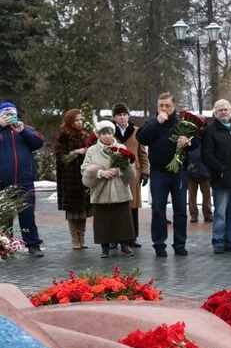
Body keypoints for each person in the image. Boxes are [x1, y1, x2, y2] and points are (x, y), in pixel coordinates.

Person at [136, 92, 196, 257]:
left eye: (167, 106)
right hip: (158, 172)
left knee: (180, 209)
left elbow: (196, 141)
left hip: (179, 172)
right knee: (158, 209)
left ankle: (180, 243)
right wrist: (157, 122)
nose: (164, 109)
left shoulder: (183, 122)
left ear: (174, 106)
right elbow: (142, 137)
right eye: (161, 106)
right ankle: (159, 244)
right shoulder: (152, 121)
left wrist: (188, 142)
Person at [81, 121, 136, 258]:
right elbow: (84, 168)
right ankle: (104, 247)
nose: (107, 136)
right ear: (98, 135)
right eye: (104, 133)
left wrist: (118, 171)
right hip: (101, 190)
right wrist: (100, 173)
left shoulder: (121, 148)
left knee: (122, 218)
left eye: (110, 133)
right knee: (102, 220)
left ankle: (125, 245)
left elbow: (129, 167)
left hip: (119, 188)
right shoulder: (92, 151)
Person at [201, 99, 231, 254]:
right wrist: (220, 170)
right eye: (220, 110)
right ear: (215, 112)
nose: (223, 112)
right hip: (221, 178)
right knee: (220, 213)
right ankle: (218, 242)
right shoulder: (210, 131)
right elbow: (206, 155)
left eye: (226, 109)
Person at [0, 102, 45, 257]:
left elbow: (38, 143)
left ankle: (33, 245)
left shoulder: (26, 128)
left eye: (11, 114)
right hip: (2, 182)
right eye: (5, 114)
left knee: (27, 214)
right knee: (4, 216)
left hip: (24, 180)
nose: (9, 118)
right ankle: (4, 247)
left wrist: (22, 131)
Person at [112, 103, 150, 249]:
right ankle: (114, 238)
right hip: (115, 173)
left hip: (133, 172)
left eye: (124, 114)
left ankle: (132, 237)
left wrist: (145, 172)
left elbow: (142, 154)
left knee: (132, 207)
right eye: (119, 115)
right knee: (116, 206)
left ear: (128, 116)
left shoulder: (136, 131)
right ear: (114, 117)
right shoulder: (110, 131)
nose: (122, 117)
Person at [54, 109, 93, 250]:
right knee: (72, 211)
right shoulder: (63, 137)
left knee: (83, 210)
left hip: (83, 177)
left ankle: (82, 236)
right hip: (69, 178)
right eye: (76, 120)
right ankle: (74, 238)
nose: (79, 122)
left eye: (81, 119)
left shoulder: (84, 136)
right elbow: (60, 156)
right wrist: (76, 152)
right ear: (70, 121)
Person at [187, 146, 213, 223]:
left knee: (206, 194)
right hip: (191, 169)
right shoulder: (189, 136)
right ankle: (193, 215)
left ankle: (207, 214)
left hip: (205, 170)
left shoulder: (206, 136)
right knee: (191, 195)